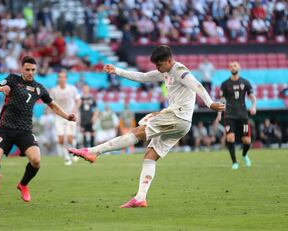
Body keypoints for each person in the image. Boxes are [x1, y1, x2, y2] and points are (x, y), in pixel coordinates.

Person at [68, 45, 225, 208]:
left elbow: (197, 85)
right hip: (182, 122)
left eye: (159, 65)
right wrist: (117, 70)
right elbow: (142, 77)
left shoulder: (180, 71)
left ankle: (93, 151)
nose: (157, 68)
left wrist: (210, 103)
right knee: (150, 155)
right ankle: (140, 197)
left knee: (138, 131)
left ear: (169, 60)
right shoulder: (166, 71)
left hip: (176, 115)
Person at [0, 56, 76, 202]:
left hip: (24, 130)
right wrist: (0, 88)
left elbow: (52, 105)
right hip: (6, 129)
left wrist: (67, 116)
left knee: (36, 161)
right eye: (27, 69)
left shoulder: (39, 88)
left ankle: (23, 185)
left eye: (33, 70)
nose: (30, 72)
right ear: (21, 68)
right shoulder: (12, 79)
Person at [216, 61, 256, 170]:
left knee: (247, 141)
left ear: (239, 67)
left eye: (235, 66)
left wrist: (253, 106)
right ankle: (234, 162)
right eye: (231, 66)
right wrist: (219, 113)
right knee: (230, 138)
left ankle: (244, 155)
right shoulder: (225, 84)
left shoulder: (245, 82)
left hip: (243, 115)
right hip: (229, 115)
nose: (233, 68)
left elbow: (252, 96)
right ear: (229, 69)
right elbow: (222, 100)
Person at [50, 70, 81, 166]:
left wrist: (75, 109)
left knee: (70, 139)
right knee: (61, 139)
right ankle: (67, 158)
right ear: (58, 79)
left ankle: (75, 152)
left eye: (63, 77)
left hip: (70, 116)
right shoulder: (54, 90)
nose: (61, 79)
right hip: (59, 117)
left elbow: (78, 100)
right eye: (60, 77)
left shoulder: (72, 89)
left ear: (66, 78)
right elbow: (51, 103)